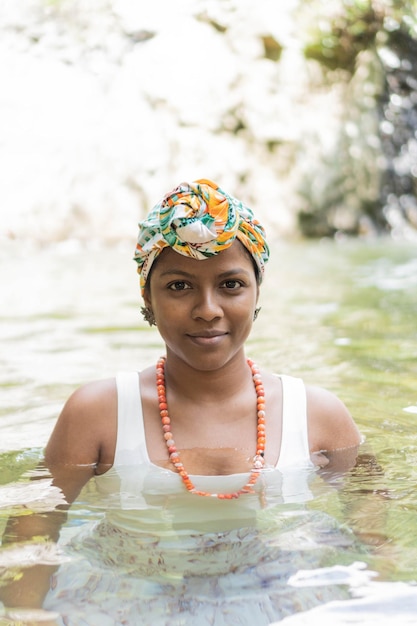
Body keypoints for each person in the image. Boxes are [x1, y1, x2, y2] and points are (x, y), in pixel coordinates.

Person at [1, 179, 362, 625]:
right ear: (147, 299)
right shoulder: (97, 414)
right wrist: (24, 614)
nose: (207, 309)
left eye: (230, 284)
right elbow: (32, 529)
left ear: (257, 294)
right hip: (121, 598)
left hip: (274, 596)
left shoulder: (318, 415)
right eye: (178, 286)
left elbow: (374, 516)